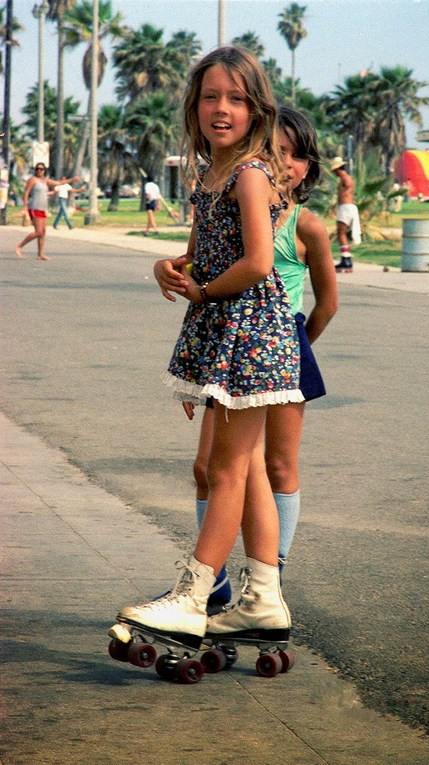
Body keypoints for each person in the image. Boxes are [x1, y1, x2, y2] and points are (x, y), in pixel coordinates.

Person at [117, 47, 304, 651]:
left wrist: (201, 289)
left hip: (253, 333)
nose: (221, 109)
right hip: (232, 332)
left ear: (257, 110)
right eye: (210, 97)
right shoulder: (211, 176)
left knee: (226, 468)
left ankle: (193, 597)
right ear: (194, 106)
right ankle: (263, 599)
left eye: (236, 99)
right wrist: (166, 269)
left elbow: (255, 262)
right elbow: (198, 254)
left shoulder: (250, 174)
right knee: (244, 468)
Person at [154, 106, 339, 607]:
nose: (285, 162)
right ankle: (220, 586)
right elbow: (197, 258)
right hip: (233, 346)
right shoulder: (231, 192)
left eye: (294, 156)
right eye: (276, 151)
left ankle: (265, 579)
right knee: (216, 466)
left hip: (277, 346)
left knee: (272, 465)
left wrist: (295, 353)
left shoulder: (306, 224)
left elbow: (326, 303)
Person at [16, 164, 80, 260]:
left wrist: (72, 180)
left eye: (41, 169)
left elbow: (58, 183)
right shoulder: (32, 180)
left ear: (44, 170)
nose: (39, 171)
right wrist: (25, 207)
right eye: (37, 169)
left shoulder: (45, 180)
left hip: (43, 208)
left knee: (43, 232)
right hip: (34, 207)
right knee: (38, 232)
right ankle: (20, 246)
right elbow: (26, 193)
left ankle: (40, 254)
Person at [331, 156, 361, 273]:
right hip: (345, 207)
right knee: (341, 233)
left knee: (341, 233)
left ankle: (346, 260)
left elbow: (347, 188)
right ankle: (346, 258)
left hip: (346, 207)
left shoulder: (345, 178)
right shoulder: (343, 178)